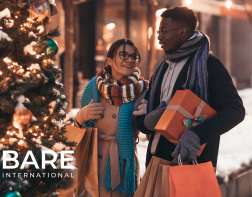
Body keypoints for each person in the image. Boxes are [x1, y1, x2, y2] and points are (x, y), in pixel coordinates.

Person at [134, 7, 245, 168]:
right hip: (155, 162)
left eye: (163, 31)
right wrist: (149, 121)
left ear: (182, 32)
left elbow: (235, 110)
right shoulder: (162, 68)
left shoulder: (209, 65)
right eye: (158, 32)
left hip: (191, 165)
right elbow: (142, 119)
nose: (159, 37)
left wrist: (197, 135)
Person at [74, 38, 148, 196]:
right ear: (109, 60)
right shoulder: (93, 87)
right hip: (92, 163)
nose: (129, 60)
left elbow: (150, 132)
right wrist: (80, 117)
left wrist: (150, 116)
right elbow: (78, 133)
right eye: (123, 55)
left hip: (122, 165)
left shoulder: (143, 91)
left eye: (133, 56)